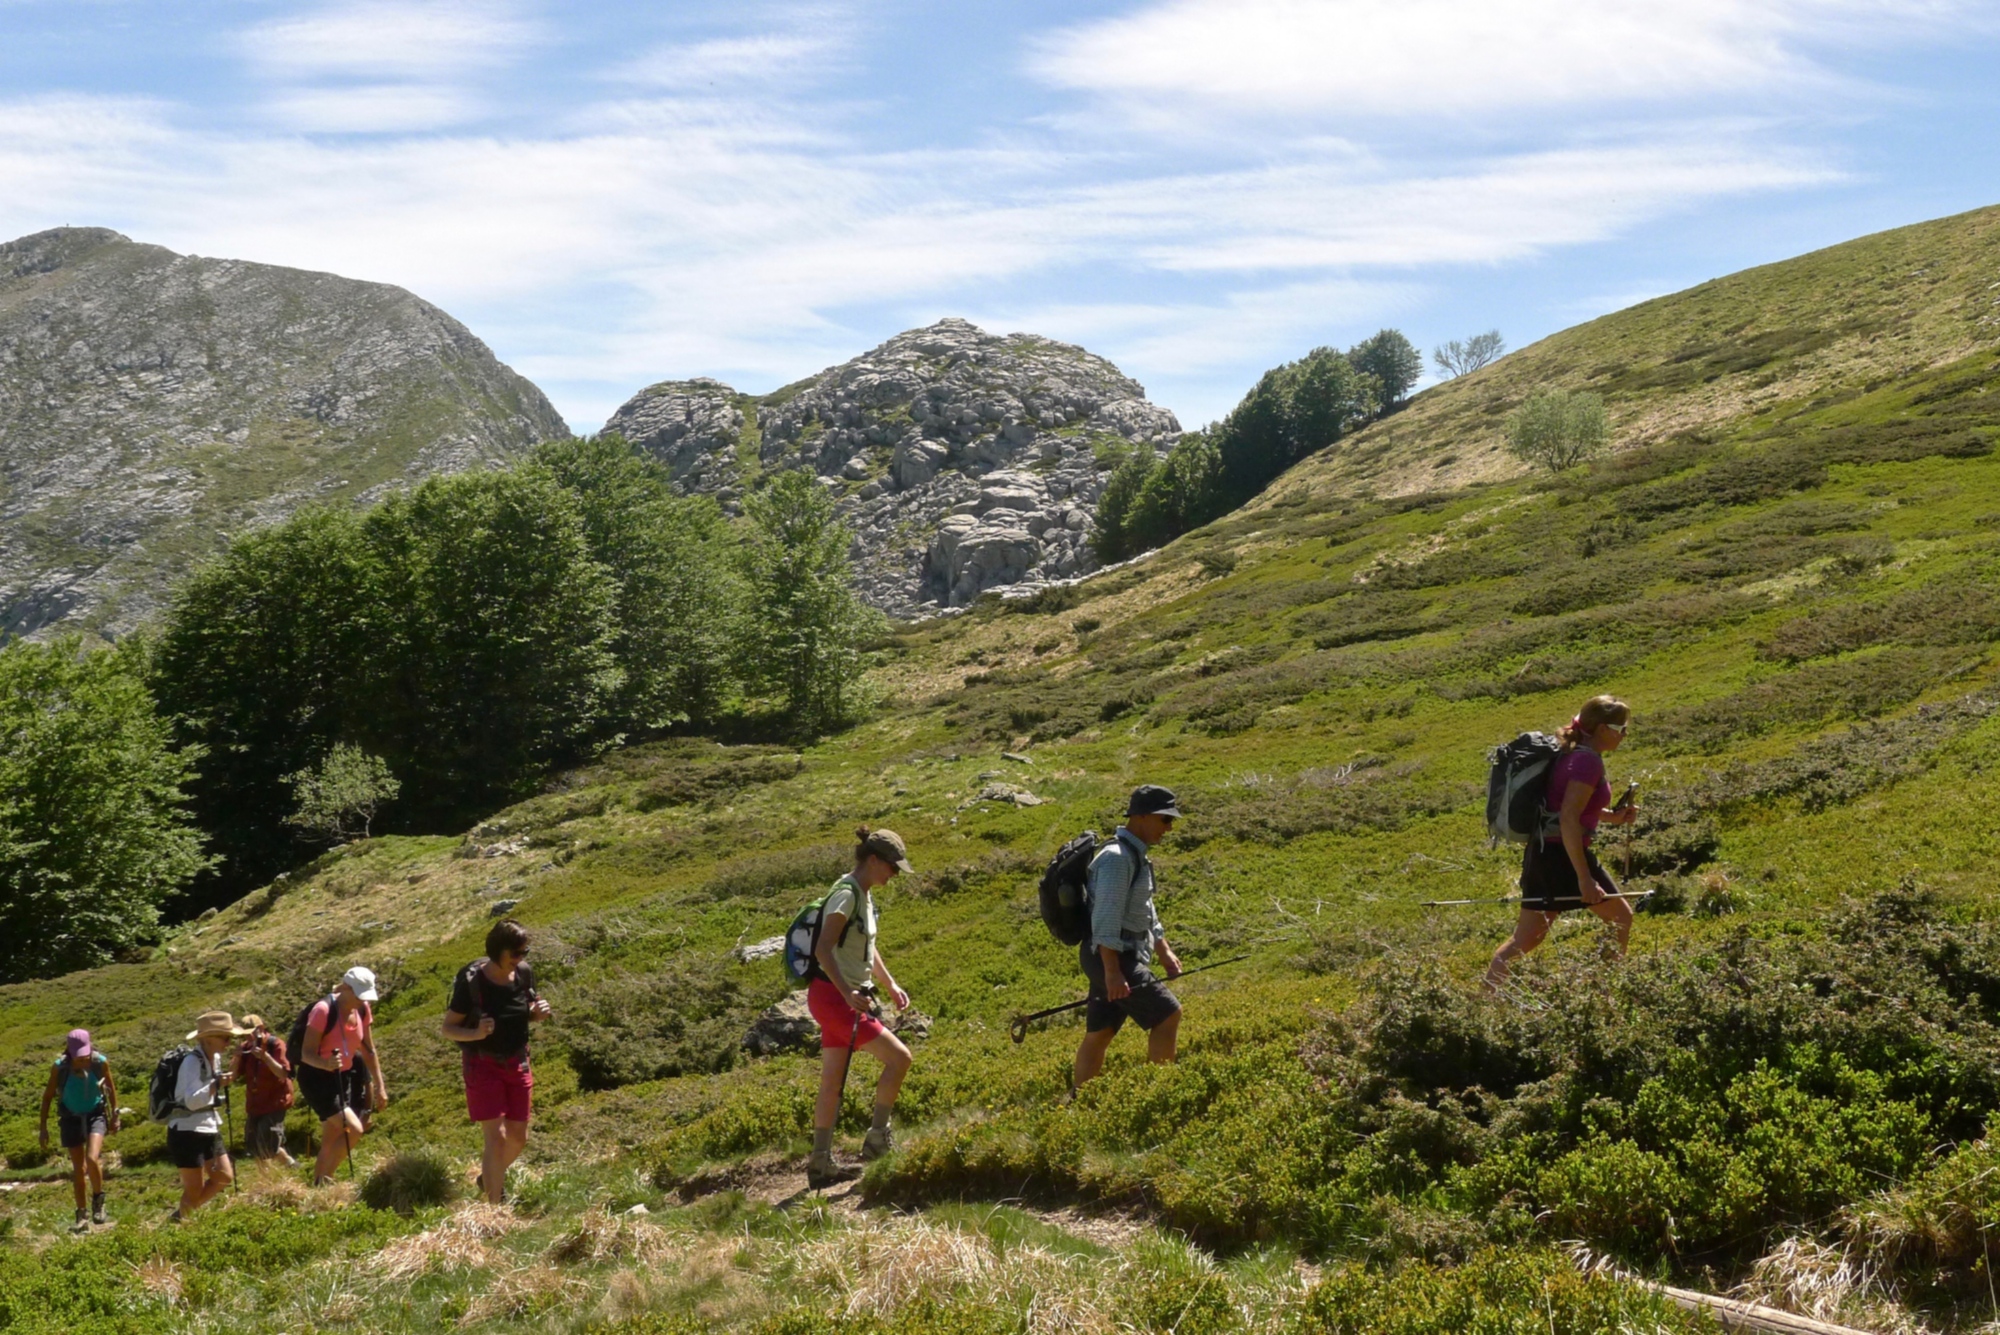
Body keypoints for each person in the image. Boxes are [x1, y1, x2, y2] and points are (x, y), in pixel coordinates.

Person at [1485, 695, 1640, 990]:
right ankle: (1607, 990)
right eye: (1620, 728)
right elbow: (1569, 818)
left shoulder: (1573, 754)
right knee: (1620, 918)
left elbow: (1567, 810)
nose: (1624, 735)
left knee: (1526, 940)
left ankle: (1482, 1000)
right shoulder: (1587, 762)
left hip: (1544, 853)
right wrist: (1583, 879)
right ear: (1601, 729)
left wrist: (1614, 818)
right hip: (1562, 856)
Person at [803, 827, 915, 1189]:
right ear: (872, 860)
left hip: (834, 996)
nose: (894, 874)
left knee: (832, 1081)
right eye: (891, 867)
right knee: (900, 1059)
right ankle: (877, 1140)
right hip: (836, 998)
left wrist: (891, 983)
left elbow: (866, 947)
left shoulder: (862, 895)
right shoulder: (846, 895)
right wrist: (848, 993)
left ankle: (820, 1163)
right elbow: (823, 948)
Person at [1074, 785, 1186, 1089]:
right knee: (1168, 1015)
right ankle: (1159, 1094)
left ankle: (1079, 1101)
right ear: (1141, 816)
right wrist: (1112, 972)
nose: (1169, 828)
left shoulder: (1135, 856)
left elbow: (1145, 910)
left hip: (1112, 957)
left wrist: (1163, 950)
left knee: (1101, 1031)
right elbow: (1106, 919)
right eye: (1165, 819)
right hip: (1112, 956)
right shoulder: (1117, 859)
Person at [442, 919, 551, 1205]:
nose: (520, 959)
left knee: (519, 1137)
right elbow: (448, 1028)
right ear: (497, 952)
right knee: (496, 1137)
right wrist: (476, 1033)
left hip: (517, 1060)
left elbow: (521, 1009)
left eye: (524, 953)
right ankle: (495, 1207)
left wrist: (536, 1013)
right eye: (515, 954)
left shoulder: (524, 974)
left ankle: (489, 1177)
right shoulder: (473, 983)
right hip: (482, 1064)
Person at [297, 966, 388, 1185]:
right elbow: (306, 1053)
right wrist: (325, 1063)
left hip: (342, 1075)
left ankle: (318, 1186)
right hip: (316, 1079)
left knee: (332, 1137)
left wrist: (380, 1086)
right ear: (345, 988)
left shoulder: (363, 1010)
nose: (361, 1000)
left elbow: (368, 1049)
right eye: (357, 995)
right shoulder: (323, 1011)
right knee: (354, 1129)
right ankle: (326, 1181)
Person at [169, 1011, 250, 1220]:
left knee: (223, 1176)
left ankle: (183, 1215)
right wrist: (216, 1085)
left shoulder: (214, 1059)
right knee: (193, 1190)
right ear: (208, 1038)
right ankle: (183, 1224)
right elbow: (191, 1101)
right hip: (187, 1131)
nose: (228, 1041)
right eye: (225, 1037)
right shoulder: (191, 1062)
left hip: (208, 1126)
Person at [38, 1029, 118, 1232]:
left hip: (95, 1115)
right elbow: (47, 1097)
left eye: (85, 1055)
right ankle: (81, 1214)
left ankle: (99, 1204)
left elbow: (110, 1088)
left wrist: (114, 1115)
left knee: (92, 1159)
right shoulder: (60, 1068)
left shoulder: (99, 1062)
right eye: (78, 1057)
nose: (83, 1060)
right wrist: (43, 1128)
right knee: (78, 1170)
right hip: (70, 1118)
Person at [232, 1014, 297, 1167]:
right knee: (255, 1144)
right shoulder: (245, 1048)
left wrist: (264, 1057)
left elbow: (283, 1073)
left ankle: (268, 1180)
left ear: (260, 1029)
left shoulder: (276, 1044)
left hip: (275, 1102)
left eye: (250, 1032)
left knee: (266, 1145)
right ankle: (291, 1164)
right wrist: (236, 1057)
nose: (247, 1037)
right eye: (244, 1034)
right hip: (255, 1103)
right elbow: (233, 1076)